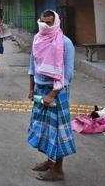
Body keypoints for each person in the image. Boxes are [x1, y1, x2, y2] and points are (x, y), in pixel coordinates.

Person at [27, 10, 76, 181]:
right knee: (44, 128)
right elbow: (33, 65)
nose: (44, 26)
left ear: (56, 23)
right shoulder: (37, 38)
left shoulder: (65, 43)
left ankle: (58, 170)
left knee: (57, 130)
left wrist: (52, 95)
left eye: (48, 23)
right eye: (42, 22)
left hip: (57, 91)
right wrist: (31, 88)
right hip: (40, 90)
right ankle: (50, 162)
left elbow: (67, 74)